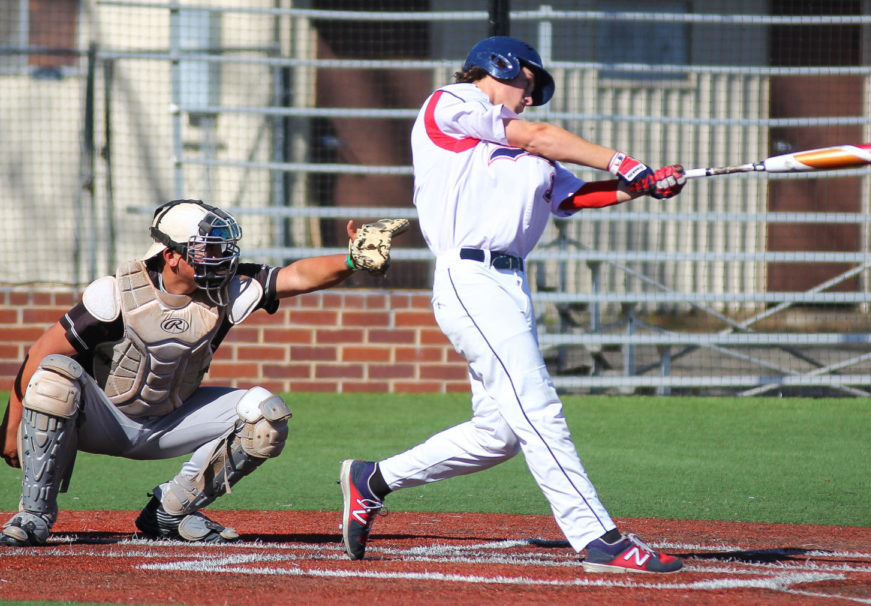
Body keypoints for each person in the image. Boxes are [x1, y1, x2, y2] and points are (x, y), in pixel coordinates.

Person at [339, 36, 686, 574]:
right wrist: (626, 161)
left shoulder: (531, 152)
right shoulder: (452, 103)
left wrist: (641, 186)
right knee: (537, 406)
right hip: (468, 276)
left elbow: (573, 196)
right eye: (528, 83)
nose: (531, 97)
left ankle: (373, 479)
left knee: (497, 435)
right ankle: (597, 537)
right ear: (499, 67)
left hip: (511, 285)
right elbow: (538, 134)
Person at [0, 199, 407, 546]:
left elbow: (297, 276)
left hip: (171, 419)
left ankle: (170, 512)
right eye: (207, 250)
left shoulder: (229, 288)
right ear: (170, 254)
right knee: (54, 377)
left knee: (266, 415)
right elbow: (42, 351)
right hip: (101, 418)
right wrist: (13, 424)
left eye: (222, 248)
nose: (221, 258)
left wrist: (353, 258)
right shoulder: (116, 293)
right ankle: (33, 515)